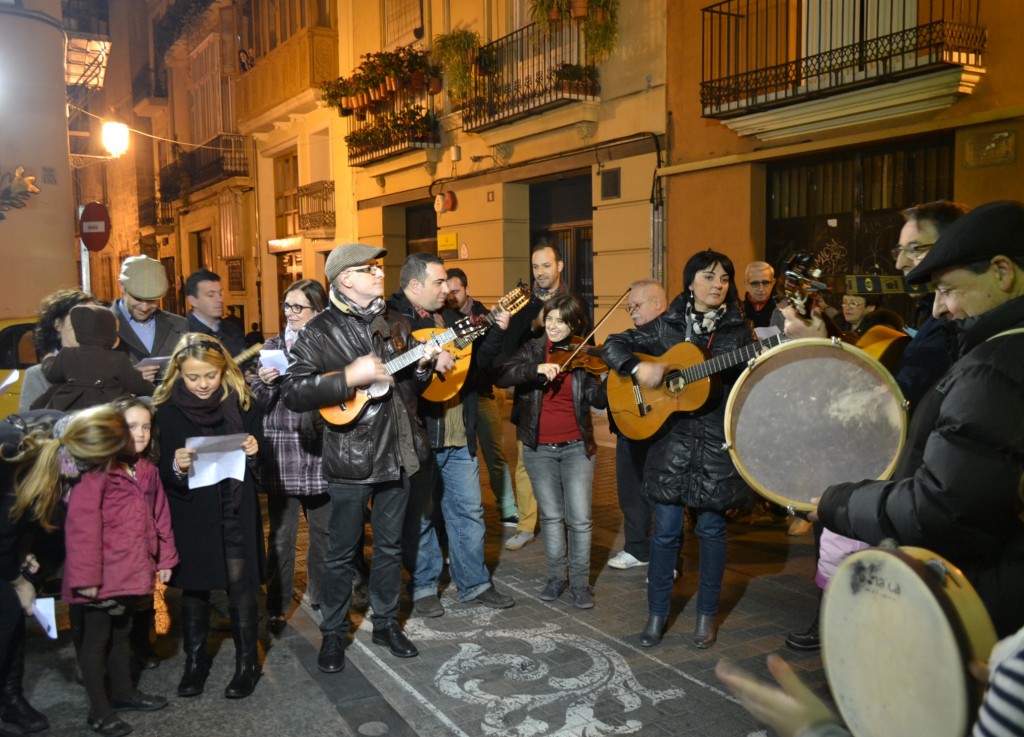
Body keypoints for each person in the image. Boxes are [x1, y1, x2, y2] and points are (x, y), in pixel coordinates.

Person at [812, 199, 1024, 639]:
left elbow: (945, 509)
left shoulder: (995, 365)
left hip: (988, 614)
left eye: (947, 289)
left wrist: (840, 503)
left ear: (1003, 273)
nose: (939, 309)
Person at [280, 244, 440, 674]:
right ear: (345, 279)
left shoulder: (396, 323)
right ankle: (333, 633)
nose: (378, 274)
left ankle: (386, 623)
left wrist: (424, 367)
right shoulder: (319, 331)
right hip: (350, 456)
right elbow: (294, 392)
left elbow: (406, 391)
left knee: (389, 546)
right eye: (369, 269)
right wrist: (349, 377)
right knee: (340, 552)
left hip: (398, 452)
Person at [602, 249, 756, 649]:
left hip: (715, 446)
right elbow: (613, 344)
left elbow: (752, 385)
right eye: (708, 277)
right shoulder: (665, 326)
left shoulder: (740, 333)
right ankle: (656, 615)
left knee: (711, 531)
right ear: (689, 282)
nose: (717, 285)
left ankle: (705, 617)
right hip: (670, 445)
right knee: (666, 533)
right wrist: (638, 368)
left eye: (724, 278)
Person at [388, 253, 514, 615]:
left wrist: (497, 331)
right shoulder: (392, 321)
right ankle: (425, 586)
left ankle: (473, 583)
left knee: (469, 512)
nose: (447, 289)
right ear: (415, 286)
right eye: (439, 282)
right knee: (422, 514)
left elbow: (475, 370)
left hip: (458, 430)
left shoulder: (453, 319)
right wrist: (427, 357)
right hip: (420, 436)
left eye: (447, 283)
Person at [153, 333, 264, 699]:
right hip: (193, 512)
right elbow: (162, 473)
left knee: (241, 583)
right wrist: (176, 464)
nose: (203, 385)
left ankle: (247, 664)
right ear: (178, 375)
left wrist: (253, 450)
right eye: (193, 377)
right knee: (196, 586)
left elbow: (263, 469)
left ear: (224, 372)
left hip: (235, 508)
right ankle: (195, 662)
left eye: (210, 376)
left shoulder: (244, 405)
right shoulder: (167, 413)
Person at [58, 403, 177, 737]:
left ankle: (123, 692)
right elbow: (82, 527)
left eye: (145, 426)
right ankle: (98, 711)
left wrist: (165, 557)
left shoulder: (146, 469)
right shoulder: (94, 471)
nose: (139, 434)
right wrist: (86, 580)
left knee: (123, 631)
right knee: (96, 640)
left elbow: (159, 515)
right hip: (100, 574)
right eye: (130, 427)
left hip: (131, 569)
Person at [495, 293, 607, 608]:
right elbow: (503, 374)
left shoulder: (584, 354)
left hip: (576, 447)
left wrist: (613, 380)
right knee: (553, 517)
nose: (554, 325)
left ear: (574, 323)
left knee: (580, 519)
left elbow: (597, 400)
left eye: (562, 320)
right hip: (539, 448)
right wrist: (537, 370)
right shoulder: (532, 349)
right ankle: (557, 578)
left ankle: (581, 585)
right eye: (550, 318)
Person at [249, 279, 331, 634]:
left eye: (300, 307)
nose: (291, 313)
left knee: (325, 532)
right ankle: (277, 603)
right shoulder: (272, 347)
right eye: (287, 306)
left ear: (318, 312)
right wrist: (264, 383)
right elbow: (254, 402)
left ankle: (320, 594)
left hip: (321, 449)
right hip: (282, 453)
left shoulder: (330, 346)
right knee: (281, 536)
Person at [0, 411, 69, 737]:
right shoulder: (9, 455)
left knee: (11, 616)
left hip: (7, 541)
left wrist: (25, 552)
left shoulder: (54, 446)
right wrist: (18, 579)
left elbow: (24, 519)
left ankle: (11, 696)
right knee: (9, 608)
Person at [500, 243, 568, 551]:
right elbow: (509, 347)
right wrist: (529, 322)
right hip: (529, 391)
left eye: (546, 266)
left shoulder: (571, 302)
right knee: (526, 461)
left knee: (565, 462)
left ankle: (563, 522)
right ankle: (527, 524)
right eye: (536, 267)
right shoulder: (523, 305)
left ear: (560, 266)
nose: (540, 272)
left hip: (563, 393)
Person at [445, 267, 518, 527]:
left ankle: (508, 507)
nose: (451, 296)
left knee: (494, 453)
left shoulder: (484, 317)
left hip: (482, 394)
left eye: (456, 291)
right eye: (448, 291)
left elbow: (497, 357)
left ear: (466, 289)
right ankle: (467, 509)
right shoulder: (442, 318)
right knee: (463, 457)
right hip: (453, 398)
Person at [606, 279, 666, 570]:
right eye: (628, 307)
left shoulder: (674, 335)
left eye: (636, 305)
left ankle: (668, 557)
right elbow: (612, 346)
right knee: (630, 489)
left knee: (662, 493)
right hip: (631, 423)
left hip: (663, 427)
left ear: (658, 302)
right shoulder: (634, 337)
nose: (631, 311)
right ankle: (636, 548)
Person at [34, 304, 155, 411]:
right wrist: (157, 391)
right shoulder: (118, 359)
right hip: (108, 413)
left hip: (71, 414)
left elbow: (52, 374)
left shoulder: (67, 354)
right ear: (109, 335)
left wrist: (48, 359)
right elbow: (137, 384)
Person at [112, 256, 189, 382]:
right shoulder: (101, 326)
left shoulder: (180, 326)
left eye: (152, 300)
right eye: (137, 298)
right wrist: (130, 379)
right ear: (121, 286)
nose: (144, 307)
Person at [19, 289, 96, 412]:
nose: (87, 325)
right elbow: (30, 423)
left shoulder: (110, 365)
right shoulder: (38, 375)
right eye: (79, 317)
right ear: (58, 324)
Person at [184, 269, 248, 358]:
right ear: (193, 300)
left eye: (220, 294)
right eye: (211, 295)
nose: (220, 300)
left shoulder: (233, 330)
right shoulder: (182, 334)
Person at [741, 261, 776, 329]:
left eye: (766, 283)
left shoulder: (782, 311)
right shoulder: (736, 311)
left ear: (773, 283)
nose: (761, 289)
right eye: (755, 284)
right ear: (746, 284)